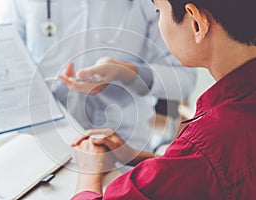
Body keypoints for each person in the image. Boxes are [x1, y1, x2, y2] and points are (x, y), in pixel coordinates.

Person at [71, 0, 256, 199]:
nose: (159, 23)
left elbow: (204, 162)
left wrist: (88, 171)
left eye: (159, 13)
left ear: (196, 23)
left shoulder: (205, 145)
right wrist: (141, 158)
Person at [3, 0, 196, 152]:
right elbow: (6, 56)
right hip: (42, 133)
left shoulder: (152, 4)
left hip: (123, 139)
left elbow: (184, 78)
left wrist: (127, 73)